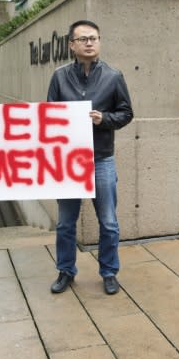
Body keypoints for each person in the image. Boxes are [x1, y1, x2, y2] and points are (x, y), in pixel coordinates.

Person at [46, 20, 133, 296]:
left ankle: (109, 272)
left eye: (93, 38)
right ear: (71, 45)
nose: (89, 43)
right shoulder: (59, 77)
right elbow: (49, 117)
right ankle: (65, 271)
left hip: (101, 159)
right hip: (69, 160)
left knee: (108, 221)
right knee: (64, 223)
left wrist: (103, 119)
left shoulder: (113, 76)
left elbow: (126, 113)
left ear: (99, 41)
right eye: (82, 39)